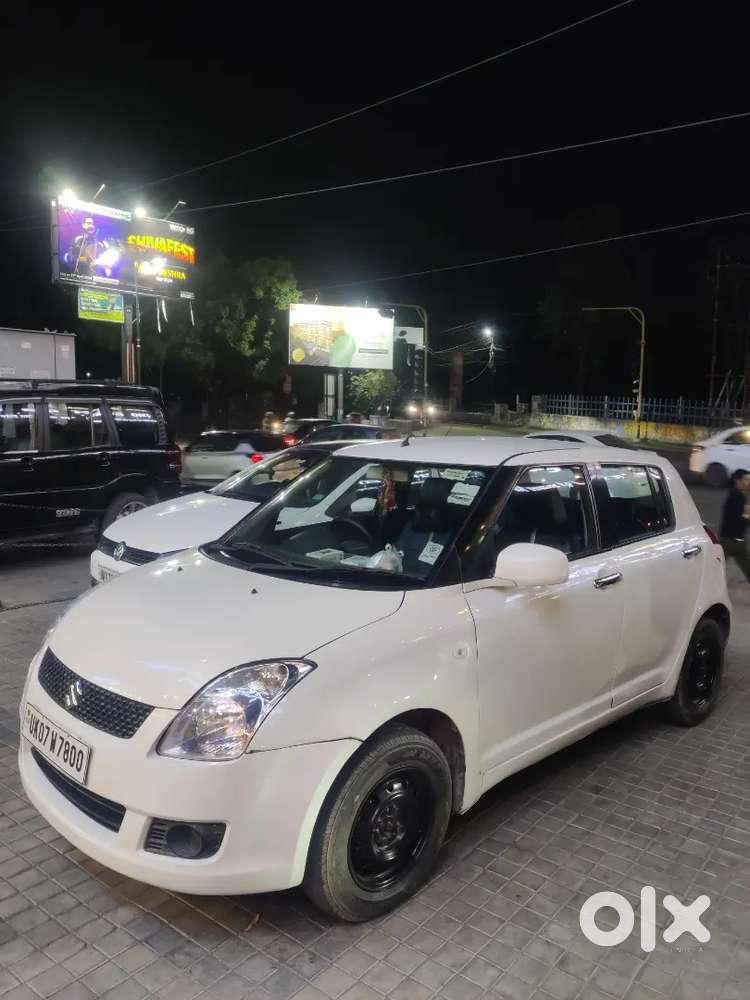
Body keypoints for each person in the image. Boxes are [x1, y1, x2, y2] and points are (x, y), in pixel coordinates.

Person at [720, 468, 750, 582]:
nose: (749, 482)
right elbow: (740, 520)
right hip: (728, 542)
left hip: (740, 541)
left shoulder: (742, 495)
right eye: (746, 479)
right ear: (738, 481)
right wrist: (747, 515)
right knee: (715, 569)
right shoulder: (734, 498)